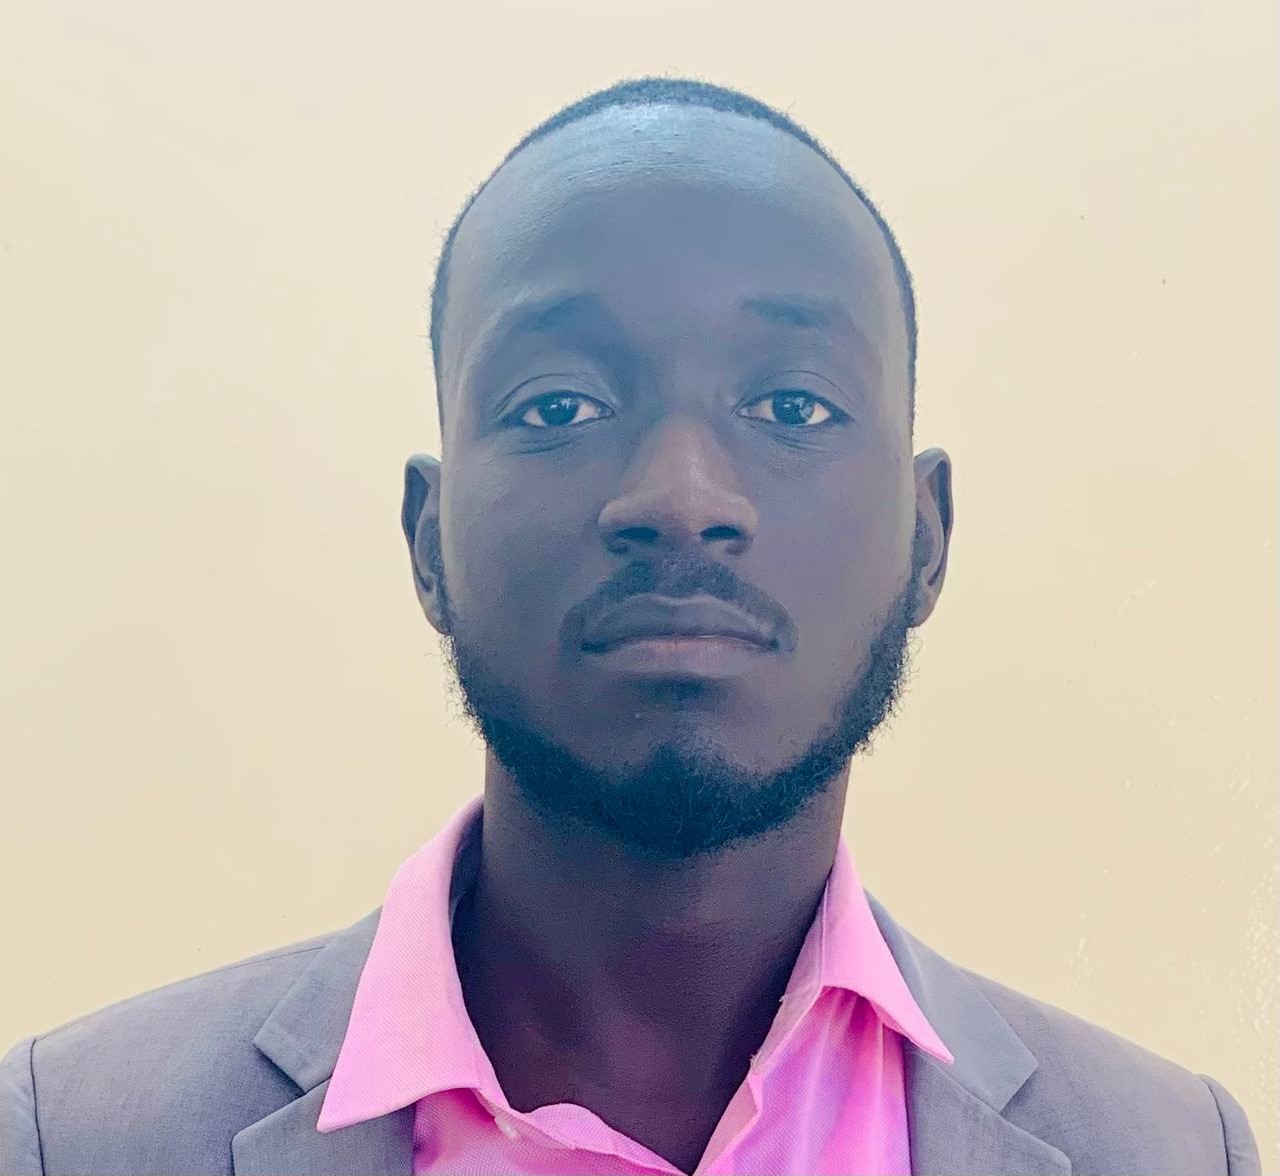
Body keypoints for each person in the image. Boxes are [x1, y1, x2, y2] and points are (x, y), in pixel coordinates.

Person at [0, 75, 1261, 1176]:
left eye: (792, 405)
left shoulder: (1167, 1149)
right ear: (429, 542)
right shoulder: (72, 1136)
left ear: (923, 538)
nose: (679, 497)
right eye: (556, 406)